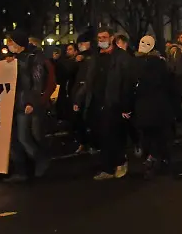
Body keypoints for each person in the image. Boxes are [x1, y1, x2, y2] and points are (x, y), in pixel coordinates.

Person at [80, 28, 131, 180]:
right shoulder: (96, 57)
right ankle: (107, 167)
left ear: (112, 38)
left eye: (104, 37)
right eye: (99, 37)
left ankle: (120, 162)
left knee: (114, 135)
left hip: (114, 102)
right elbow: (89, 81)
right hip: (97, 102)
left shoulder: (121, 57)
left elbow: (127, 82)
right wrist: (80, 98)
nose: (101, 40)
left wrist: (125, 105)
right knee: (102, 135)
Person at [2, 31, 51, 182]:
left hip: (24, 104)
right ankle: (21, 171)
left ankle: (41, 160)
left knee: (24, 137)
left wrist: (31, 102)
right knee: (14, 139)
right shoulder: (16, 59)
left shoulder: (33, 58)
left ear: (19, 44)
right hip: (13, 103)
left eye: (11, 42)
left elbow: (36, 83)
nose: (9, 46)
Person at [127, 36, 174, 177]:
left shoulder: (157, 63)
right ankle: (154, 157)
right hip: (144, 104)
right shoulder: (136, 62)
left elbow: (166, 83)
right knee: (148, 133)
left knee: (155, 133)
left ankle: (154, 158)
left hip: (155, 104)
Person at [70, 31, 97, 154]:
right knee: (79, 120)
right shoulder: (79, 58)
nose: (80, 46)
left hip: (87, 94)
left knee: (89, 120)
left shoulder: (92, 58)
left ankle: (92, 143)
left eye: (81, 43)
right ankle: (83, 142)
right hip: (79, 93)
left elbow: (88, 80)